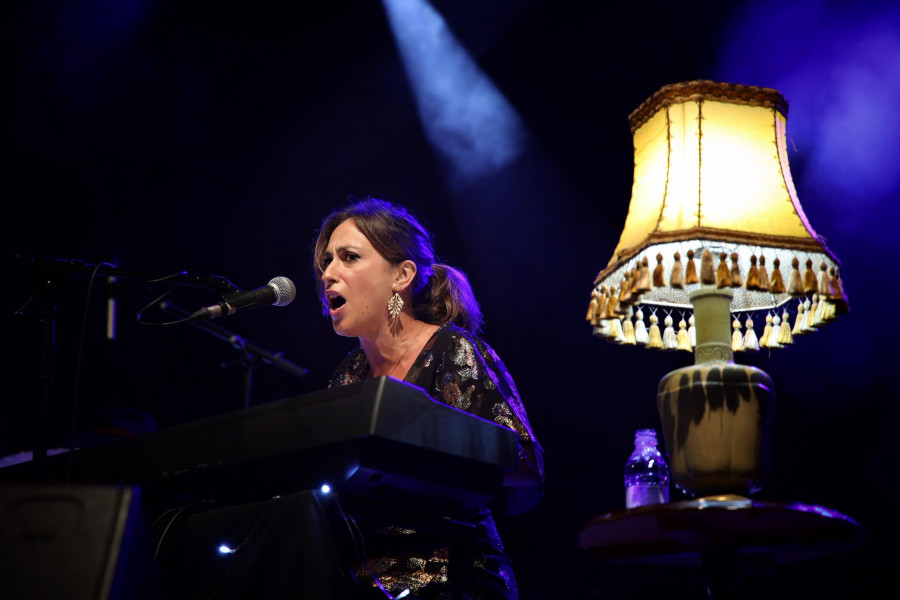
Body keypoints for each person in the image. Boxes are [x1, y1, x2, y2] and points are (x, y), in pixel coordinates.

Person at [313, 197, 544, 600]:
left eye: (349, 257)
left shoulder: (450, 350)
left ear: (401, 275)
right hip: (362, 581)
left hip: (454, 577)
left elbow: (524, 463)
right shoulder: (348, 374)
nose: (329, 273)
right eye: (326, 262)